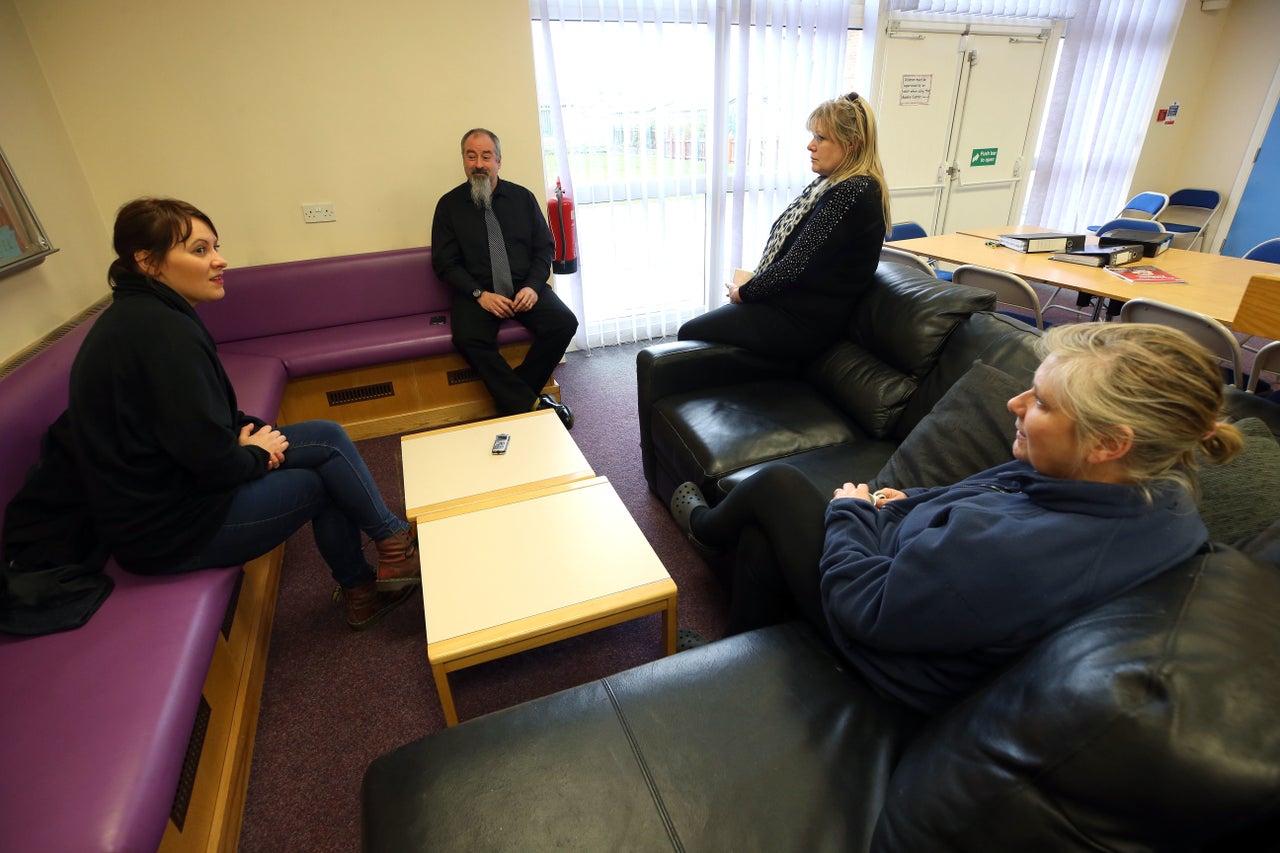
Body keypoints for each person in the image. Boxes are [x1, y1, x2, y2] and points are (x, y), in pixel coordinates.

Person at [668, 323, 1243, 713]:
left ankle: (704, 532)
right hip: (919, 585)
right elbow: (989, 495)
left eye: (1041, 402)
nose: (1015, 405)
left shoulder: (1015, 553)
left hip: (885, 653)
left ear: (1110, 443)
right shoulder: (1159, 495)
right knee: (771, 536)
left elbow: (865, 607)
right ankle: (737, 659)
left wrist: (851, 515)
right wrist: (905, 505)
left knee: (781, 489)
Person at [67, 197, 421, 631]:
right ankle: (371, 575)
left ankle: (390, 542)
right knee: (326, 482)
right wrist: (253, 454)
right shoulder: (161, 335)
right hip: (169, 532)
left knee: (326, 437)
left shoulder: (146, 315)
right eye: (200, 250)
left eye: (215, 247)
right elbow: (213, 465)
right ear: (149, 262)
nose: (220, 260)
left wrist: (248, 436)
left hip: (173, 498)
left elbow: (202, 420)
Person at [677, 92, 891, 359]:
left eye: (821, 138)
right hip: (791, 309)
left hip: (804, 324)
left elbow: (795, 265)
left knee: (689, 332)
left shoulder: (852, 192)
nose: (810, 146)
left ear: (852, 144)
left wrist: (743, 293)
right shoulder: (832, 185)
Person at [431, 128, 579, 428]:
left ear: (499, 161)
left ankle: (517, 397)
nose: (479, 164)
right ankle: (530, 403)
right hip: (480, 293)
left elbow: (545, 248)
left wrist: (534, 287)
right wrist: (479, 295)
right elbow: (445, 263)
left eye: (486, 156)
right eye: (471, 156)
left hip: (525, 286)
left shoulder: (523, 198)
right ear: (463, 161)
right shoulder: (448, 206)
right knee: (467, 337)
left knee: (564, 323)